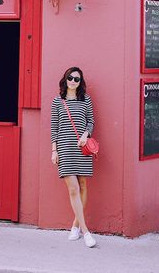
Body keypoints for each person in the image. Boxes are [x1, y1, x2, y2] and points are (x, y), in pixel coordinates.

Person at [51, 66, 96, 248]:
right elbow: (54, 128)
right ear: (65, 79)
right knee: (73, 189)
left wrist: (86, 134)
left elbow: (91, 121)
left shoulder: (86, 100)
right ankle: (86, 232)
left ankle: (75, 226)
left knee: (83, 186)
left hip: (82, 149)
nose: (73, 81)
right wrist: (54, 151)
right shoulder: (57, 101)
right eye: (70, 78)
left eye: (77, 79)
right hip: (65, 148)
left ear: (80, 83)